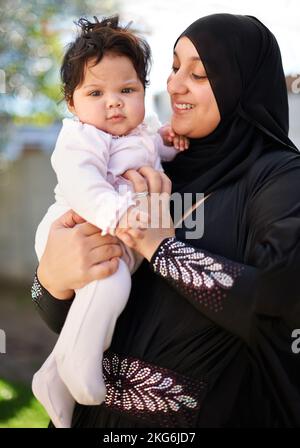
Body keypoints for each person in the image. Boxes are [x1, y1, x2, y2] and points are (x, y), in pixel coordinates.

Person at [31, 13, 300, 428]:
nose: (174, 85)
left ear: (239, 84)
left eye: (199, 74)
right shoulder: (154, 164)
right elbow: (61, 314)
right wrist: (50, 281)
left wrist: (159, 246)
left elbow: (279, 299)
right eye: (175, 68)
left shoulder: (279, 178)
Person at [31, 16, 188, 428]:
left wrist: (171, 142)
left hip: (119, 234)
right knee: (110, 283)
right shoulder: (81, 138)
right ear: (72, 103)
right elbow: (82, 184)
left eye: (127, 90)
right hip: (78, 225)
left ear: (142, 92)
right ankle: (79, 366)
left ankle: (53, 374)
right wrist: (116, 214)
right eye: (96, 92)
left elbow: (153, 150)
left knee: (107, 292)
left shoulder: (143, 131)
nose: (114, 102)